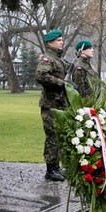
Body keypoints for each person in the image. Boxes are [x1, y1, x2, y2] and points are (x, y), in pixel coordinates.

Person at [36, 30, 68, 182]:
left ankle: (56, 166)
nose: (61, 42)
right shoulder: (48, 58)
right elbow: (41, 75)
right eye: (58, 40)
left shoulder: (57, 59)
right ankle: (50, 169)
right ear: (50, 43)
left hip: (58, 104)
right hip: (50, 104)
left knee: (58, 136)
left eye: (61, 40)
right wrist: (62, 84)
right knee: (52, 136)